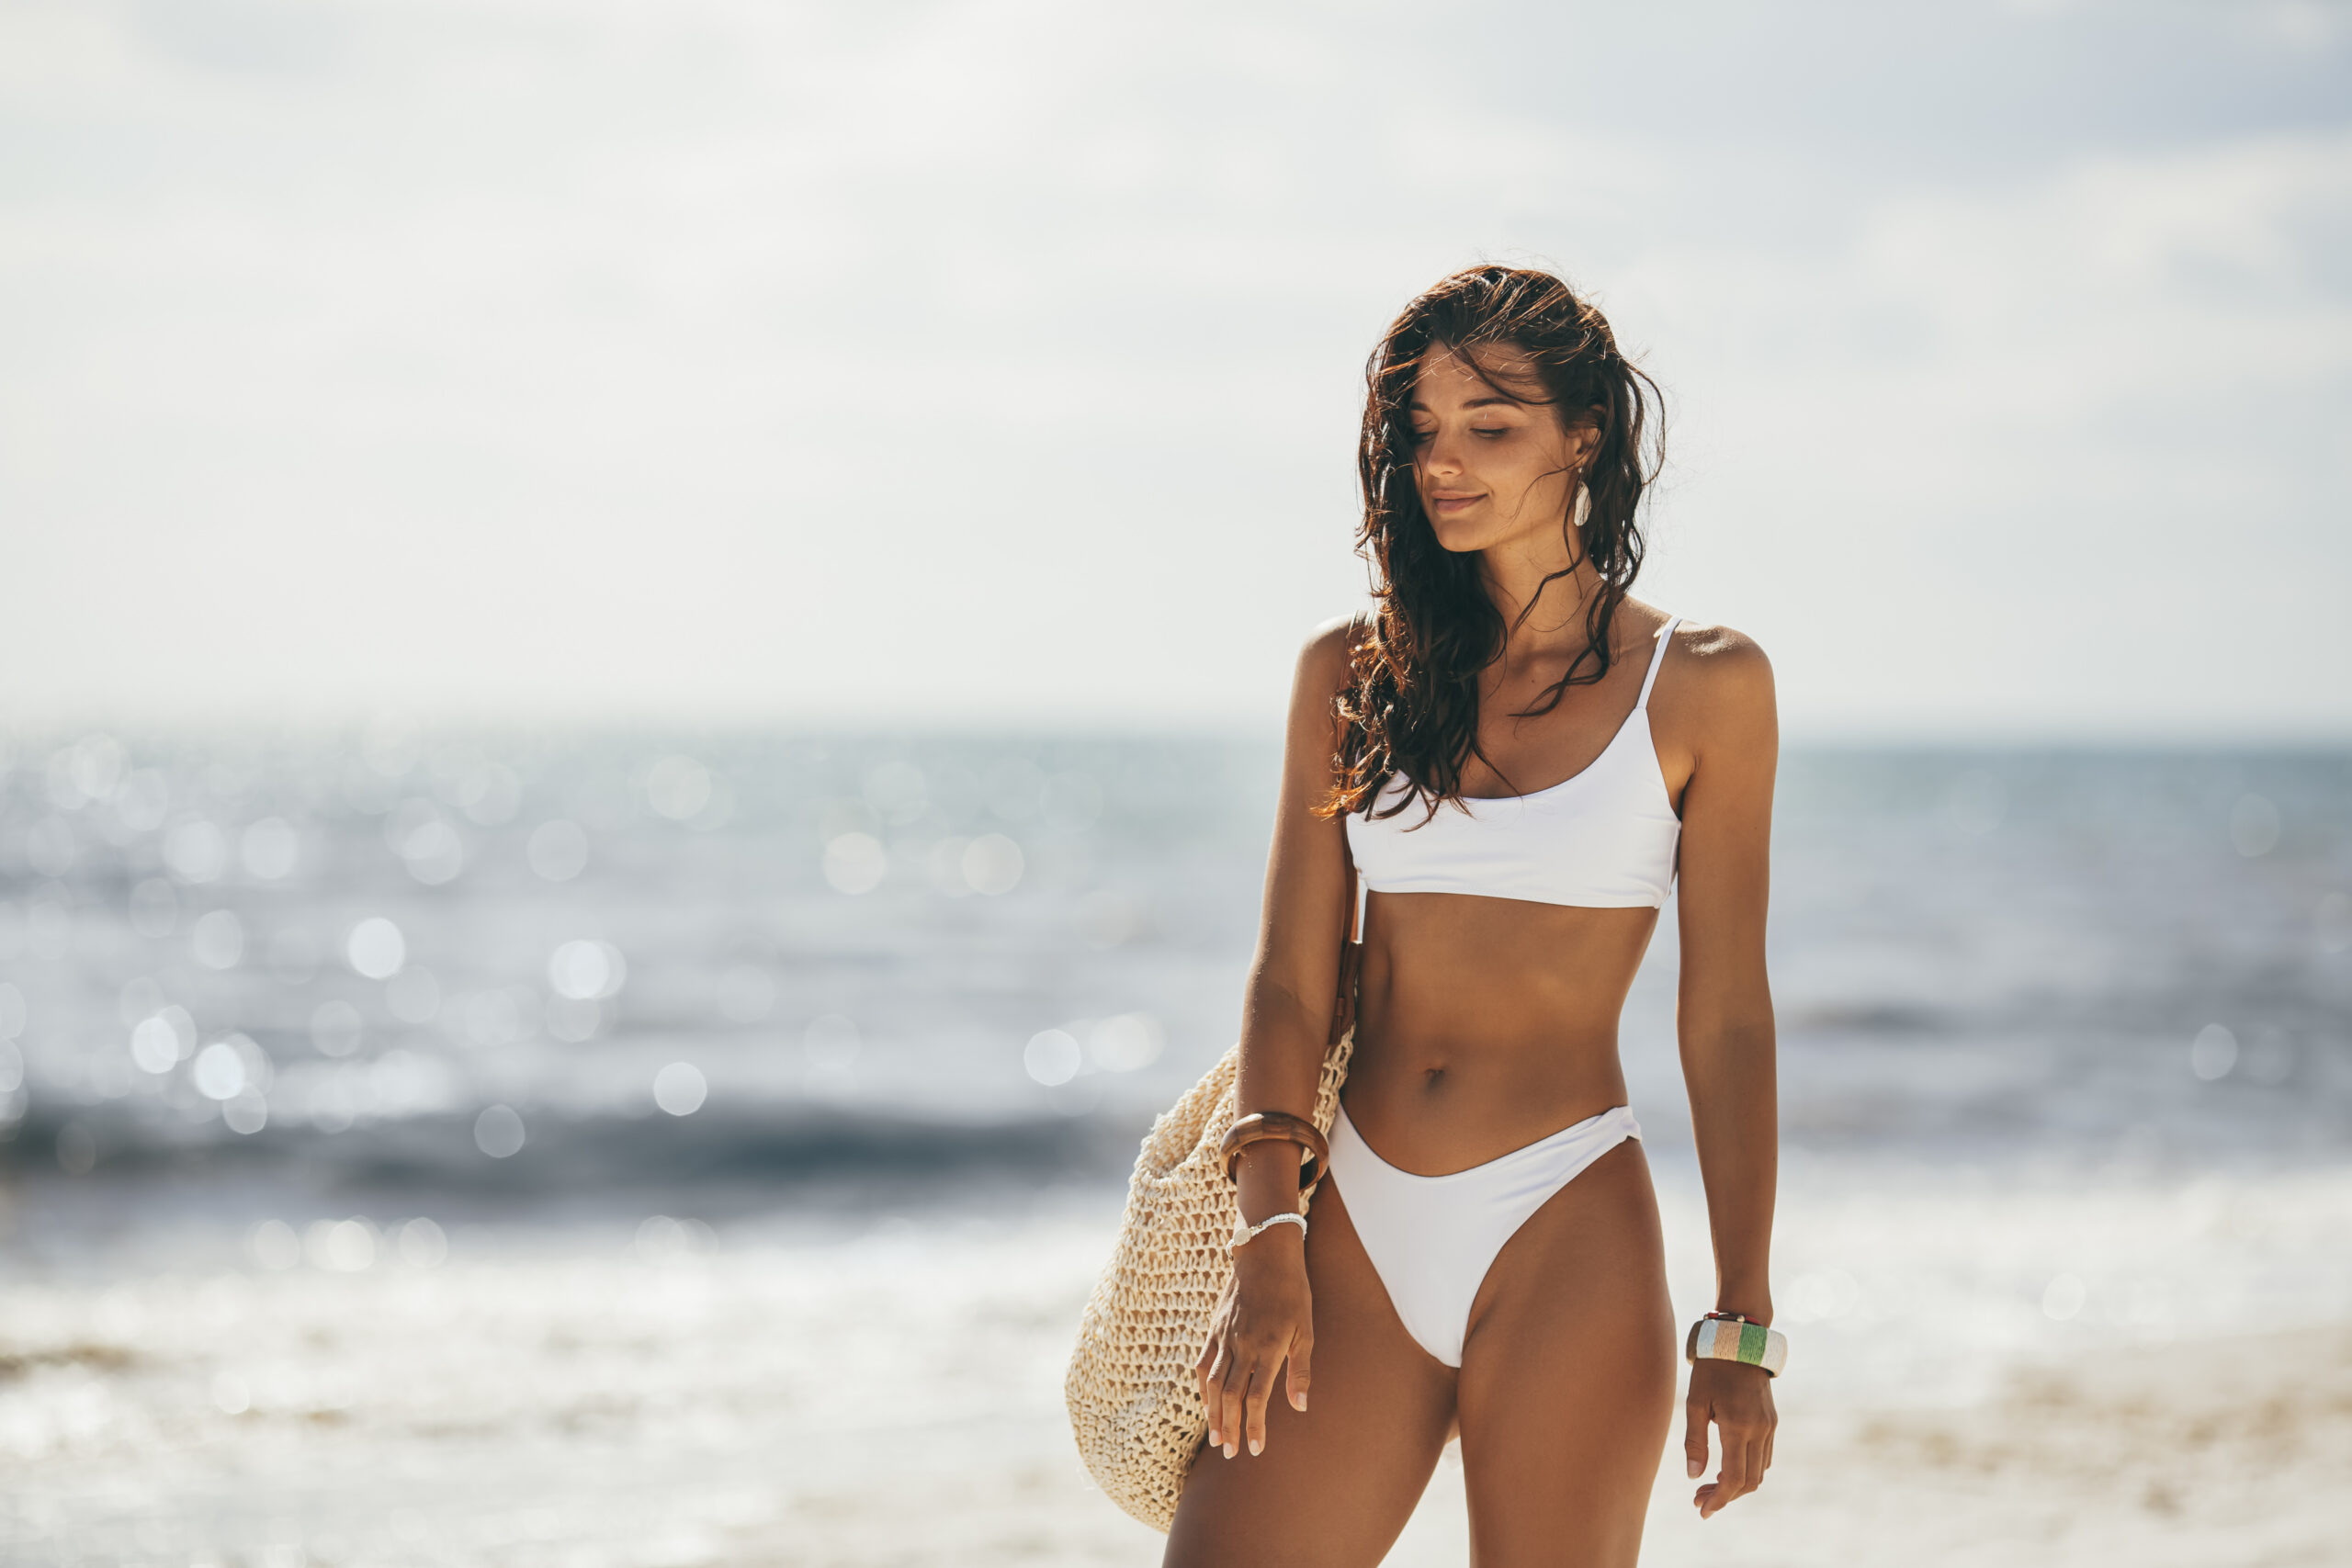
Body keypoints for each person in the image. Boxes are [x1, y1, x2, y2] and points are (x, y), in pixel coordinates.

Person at [1168, 265, 1781, 1566]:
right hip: (1350, 1226)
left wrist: (1741, 1323)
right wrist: (1267, 1231)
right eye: (1423, 431)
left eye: (1488, 426)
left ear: (1585, 436)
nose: (1444, 464)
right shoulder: (1353, 672)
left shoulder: (1708, 686)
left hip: (1567, 1225)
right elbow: (1291, 977)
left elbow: (1724, 1017)